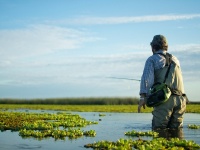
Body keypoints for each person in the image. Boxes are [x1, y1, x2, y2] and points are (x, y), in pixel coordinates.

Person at [138, 35, 187, 131]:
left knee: (158, 130)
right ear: (166, 46)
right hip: (181, 100)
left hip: (164, 100)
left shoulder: (152, 59)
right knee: (177, 131)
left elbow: (146, 79)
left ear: (153, 47)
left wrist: (143, 97)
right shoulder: (175, 59)